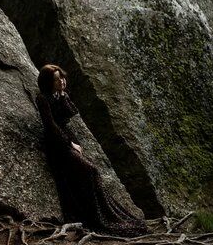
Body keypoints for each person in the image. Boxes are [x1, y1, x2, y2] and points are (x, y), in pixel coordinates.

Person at [35, 64, 149, 237]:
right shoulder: (42, 99)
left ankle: (106, 214)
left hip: (67, 138)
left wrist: (64, 95)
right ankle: (98, 218)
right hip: (57, 144)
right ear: (48, 82)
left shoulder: (58, 95)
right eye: (57, 79)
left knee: (92, 173)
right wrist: (69, 143)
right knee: (91, 170)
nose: (61, 81)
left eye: (62, 77)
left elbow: (72, 112)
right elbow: (51, 127)